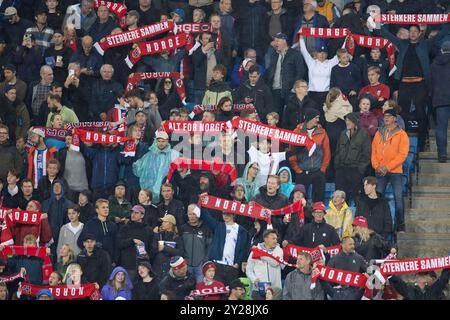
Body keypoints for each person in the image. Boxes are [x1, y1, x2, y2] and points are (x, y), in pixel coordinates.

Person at [374, 22, 450, 151]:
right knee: (403, 113)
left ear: (420, 33)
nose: (413, 33)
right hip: (404, 84)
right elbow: (388, 36)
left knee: (421, 113)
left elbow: (440, 35)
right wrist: (377, 26)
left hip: (420, 83)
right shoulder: (402, 44)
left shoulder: (425, 44)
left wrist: (448, 22)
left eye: (416, 31)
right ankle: (401, 142)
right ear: (408, 33)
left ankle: (421, 143)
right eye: (411, 31)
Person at [372, 109, 409, 232]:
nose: (386, 118)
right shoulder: (379, 133)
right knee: (376, 198)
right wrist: (376, 166)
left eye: (389, 116)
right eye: (385, 116)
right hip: (380, 170)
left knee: (398, 198)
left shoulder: (402, 134)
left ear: (395, 118)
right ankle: (377, 223)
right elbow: (374, 152)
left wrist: (386, 167)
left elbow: (402, 155)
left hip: (395, 171)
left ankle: (400, 224)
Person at [199, 205, 251, 286]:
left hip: (231, 266)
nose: (225, 216)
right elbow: (205, 216)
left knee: (229, 292)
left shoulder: (242, 230)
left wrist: (237, 263)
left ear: (233, 214)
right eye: (223, 213)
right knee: (216, 290)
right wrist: (202, 203)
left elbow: (244, 249)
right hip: (217, 265)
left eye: (228, 214)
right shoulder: (218, 226)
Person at [289, 108, 330, 202]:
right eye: (316, 117)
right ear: (309, 118)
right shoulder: (297, 132)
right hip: (302, 172)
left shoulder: (322, 132)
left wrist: (323, 169)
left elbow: (327, 152)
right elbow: (291, 152)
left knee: (319, 200)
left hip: (318, 171)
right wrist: (297, 169)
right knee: (299, 201)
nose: (318, 120)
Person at [264, 32, 305, 116]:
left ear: (284, 41)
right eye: (275, 41)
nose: (275, 43)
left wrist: (294, 88)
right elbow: (269, 72)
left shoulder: (295, 54)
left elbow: (300, 72)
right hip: (275, 91)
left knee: (291, 116)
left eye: (277, 41)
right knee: (275, 116)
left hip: (290, 92)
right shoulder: (274, 55)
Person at [334, 112, 371, 203]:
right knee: (340, 198)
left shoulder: (364, 134)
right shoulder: (343, 133)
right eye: (346, 120)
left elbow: (367, 154)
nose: (347, 123)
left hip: (355, 170)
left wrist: (360, 170)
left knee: (357, 198)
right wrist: (337, 165)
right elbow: (338, 150)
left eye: (349, 121)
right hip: (342, 169)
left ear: (355, 122)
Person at [133, 131, 179, 204]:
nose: (161, 143)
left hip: (166, 190)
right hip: (149, 192)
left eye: (163, 141)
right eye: (159, 141)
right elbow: (138, 168)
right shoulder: (149, 155)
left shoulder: (173, 154)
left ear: (167, 141)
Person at [117, 205, 153, 280]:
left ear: (142, 215)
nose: (133, 214)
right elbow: (119, 244)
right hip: (128, 265)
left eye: (136, 213)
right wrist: (132, 241)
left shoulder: (148, 230)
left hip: (143, 266)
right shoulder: (125, 228)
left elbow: (151, 247)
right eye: (132, 212)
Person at [246, 230, 284, 300]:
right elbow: (248, 270)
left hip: (275, 289)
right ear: (266, 239)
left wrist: (260, 255)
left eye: (276, 238)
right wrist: (254, 280)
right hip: (258, 289)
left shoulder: (279, 250)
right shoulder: (255, 251)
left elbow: (275, 263)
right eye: (273, 238)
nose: (275, 241)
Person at [179, 204, 213, 284]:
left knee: (200, 288)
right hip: (186, 264)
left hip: (200, 265)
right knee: (185, 288)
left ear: (198, 214)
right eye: (190, 214)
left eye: (194, 214)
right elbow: (180, 246)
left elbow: (210, 246)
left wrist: (205, 260)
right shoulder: (182, 228)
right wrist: (182, 259)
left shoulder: (206, 229)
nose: (192, 216)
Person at [252, 175, 290, 239]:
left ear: (278, 186)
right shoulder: (257, 197)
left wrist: (285, 220)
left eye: (273, 183)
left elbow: (288, 215)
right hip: (259, 234)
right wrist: (255, 222)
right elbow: (250, 212)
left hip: (276, 235)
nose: (270, 185)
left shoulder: (284, 200)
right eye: (269, 183)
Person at [192, 31, 225, 103]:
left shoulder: (218, 52)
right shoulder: (196, 51)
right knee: (199, 111)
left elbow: (222, 68)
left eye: (210, 38)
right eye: (206, 38)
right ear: (201, 40)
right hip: (201, 88)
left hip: (215, 87)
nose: (209, 40)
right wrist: (204, 50)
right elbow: (196, 62)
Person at [431, 40, 450, 163]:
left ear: (441, 50)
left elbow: (430, 83)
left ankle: (442, 154)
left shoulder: (434, 64)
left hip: (440, 99)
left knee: (441, 128)